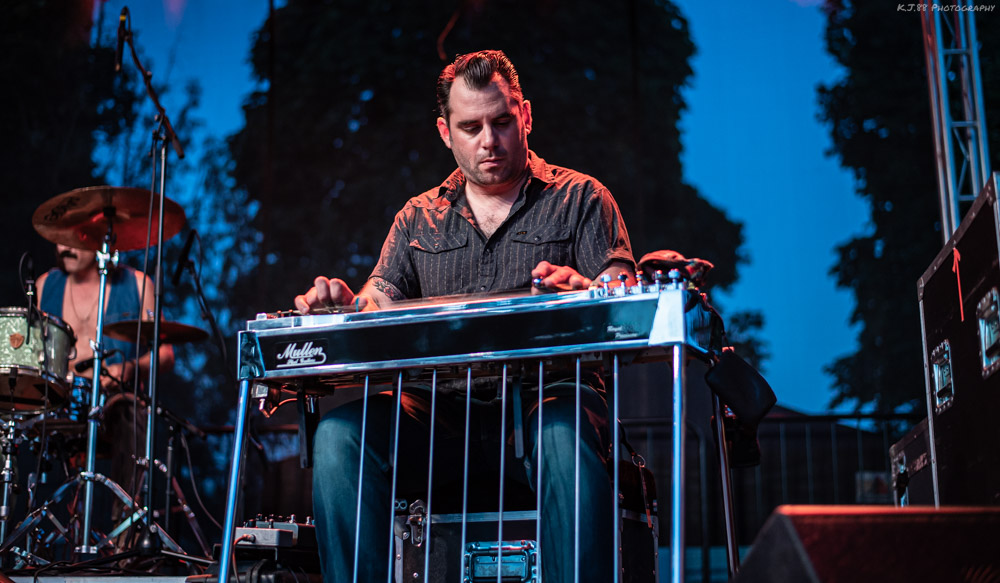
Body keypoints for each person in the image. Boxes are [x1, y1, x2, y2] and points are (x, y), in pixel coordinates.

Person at [295, 50, 634, 582]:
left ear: (525, 115)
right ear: (444, 131)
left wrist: (591, 291)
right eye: (470, 127)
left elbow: (623, 290)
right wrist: (345, 307)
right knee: (338, 438)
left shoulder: (582, 198)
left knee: (563, 430)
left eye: (501, 122)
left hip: (546, 400)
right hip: (437, 413)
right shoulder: (416, 219)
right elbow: (377, 299)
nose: (488, 141)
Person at [36, 243, 174, 515]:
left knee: (130, 410)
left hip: (114, 397)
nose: (66, 247)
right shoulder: (45, 285)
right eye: (59, 239)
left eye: (73, 239)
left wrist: (133, 367)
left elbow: (166, 354)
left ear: (100, 239)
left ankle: (124, 531)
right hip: (60, 398)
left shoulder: (137, 284)